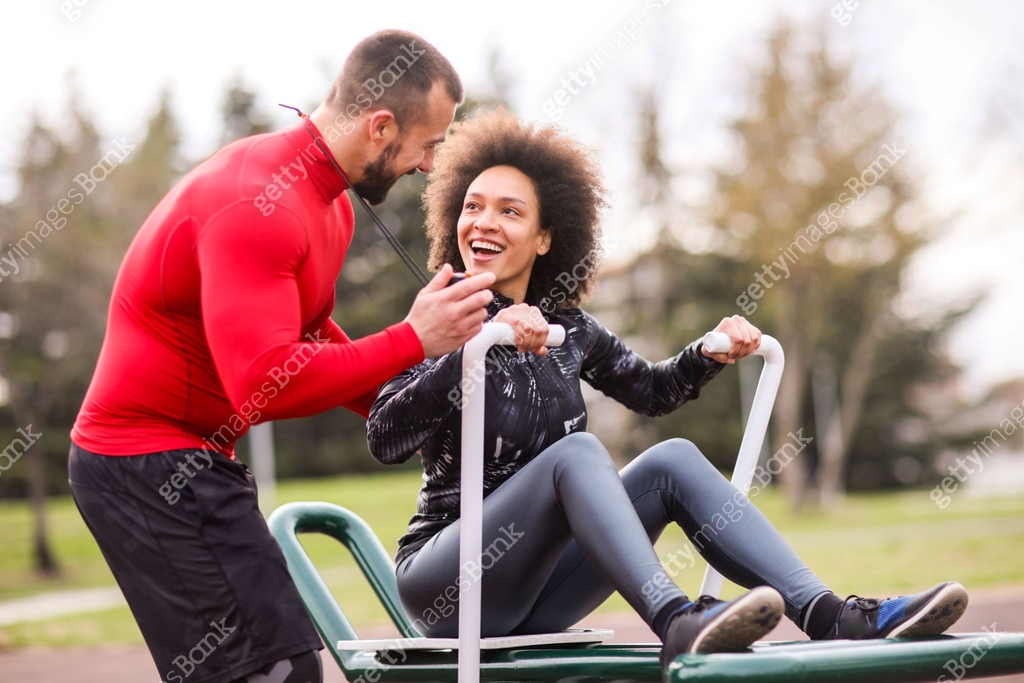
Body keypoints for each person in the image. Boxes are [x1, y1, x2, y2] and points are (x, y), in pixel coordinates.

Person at [366, 108, 969, 671]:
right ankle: (677, 620)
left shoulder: (568, 328)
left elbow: (652, 393)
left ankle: (830, 614)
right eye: (473, 207)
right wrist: (481, 339)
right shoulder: (441, 317)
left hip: (541, 591)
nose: (484, 222)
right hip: (451, 585)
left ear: (546, 238)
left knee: (671, 460)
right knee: (576, 453)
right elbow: (383, 434)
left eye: (509, 211)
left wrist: (705, 353)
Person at [67, 30, 497, 683]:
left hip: (190, 457)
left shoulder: (327, 204)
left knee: (281, 664)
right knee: (272, 671)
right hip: (143, 461)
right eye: (429, 144)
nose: (431, 166)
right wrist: (414, 337)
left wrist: (425, 406)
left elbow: (313, 332)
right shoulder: (257, 203)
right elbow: (264, 383)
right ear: (381, 126)